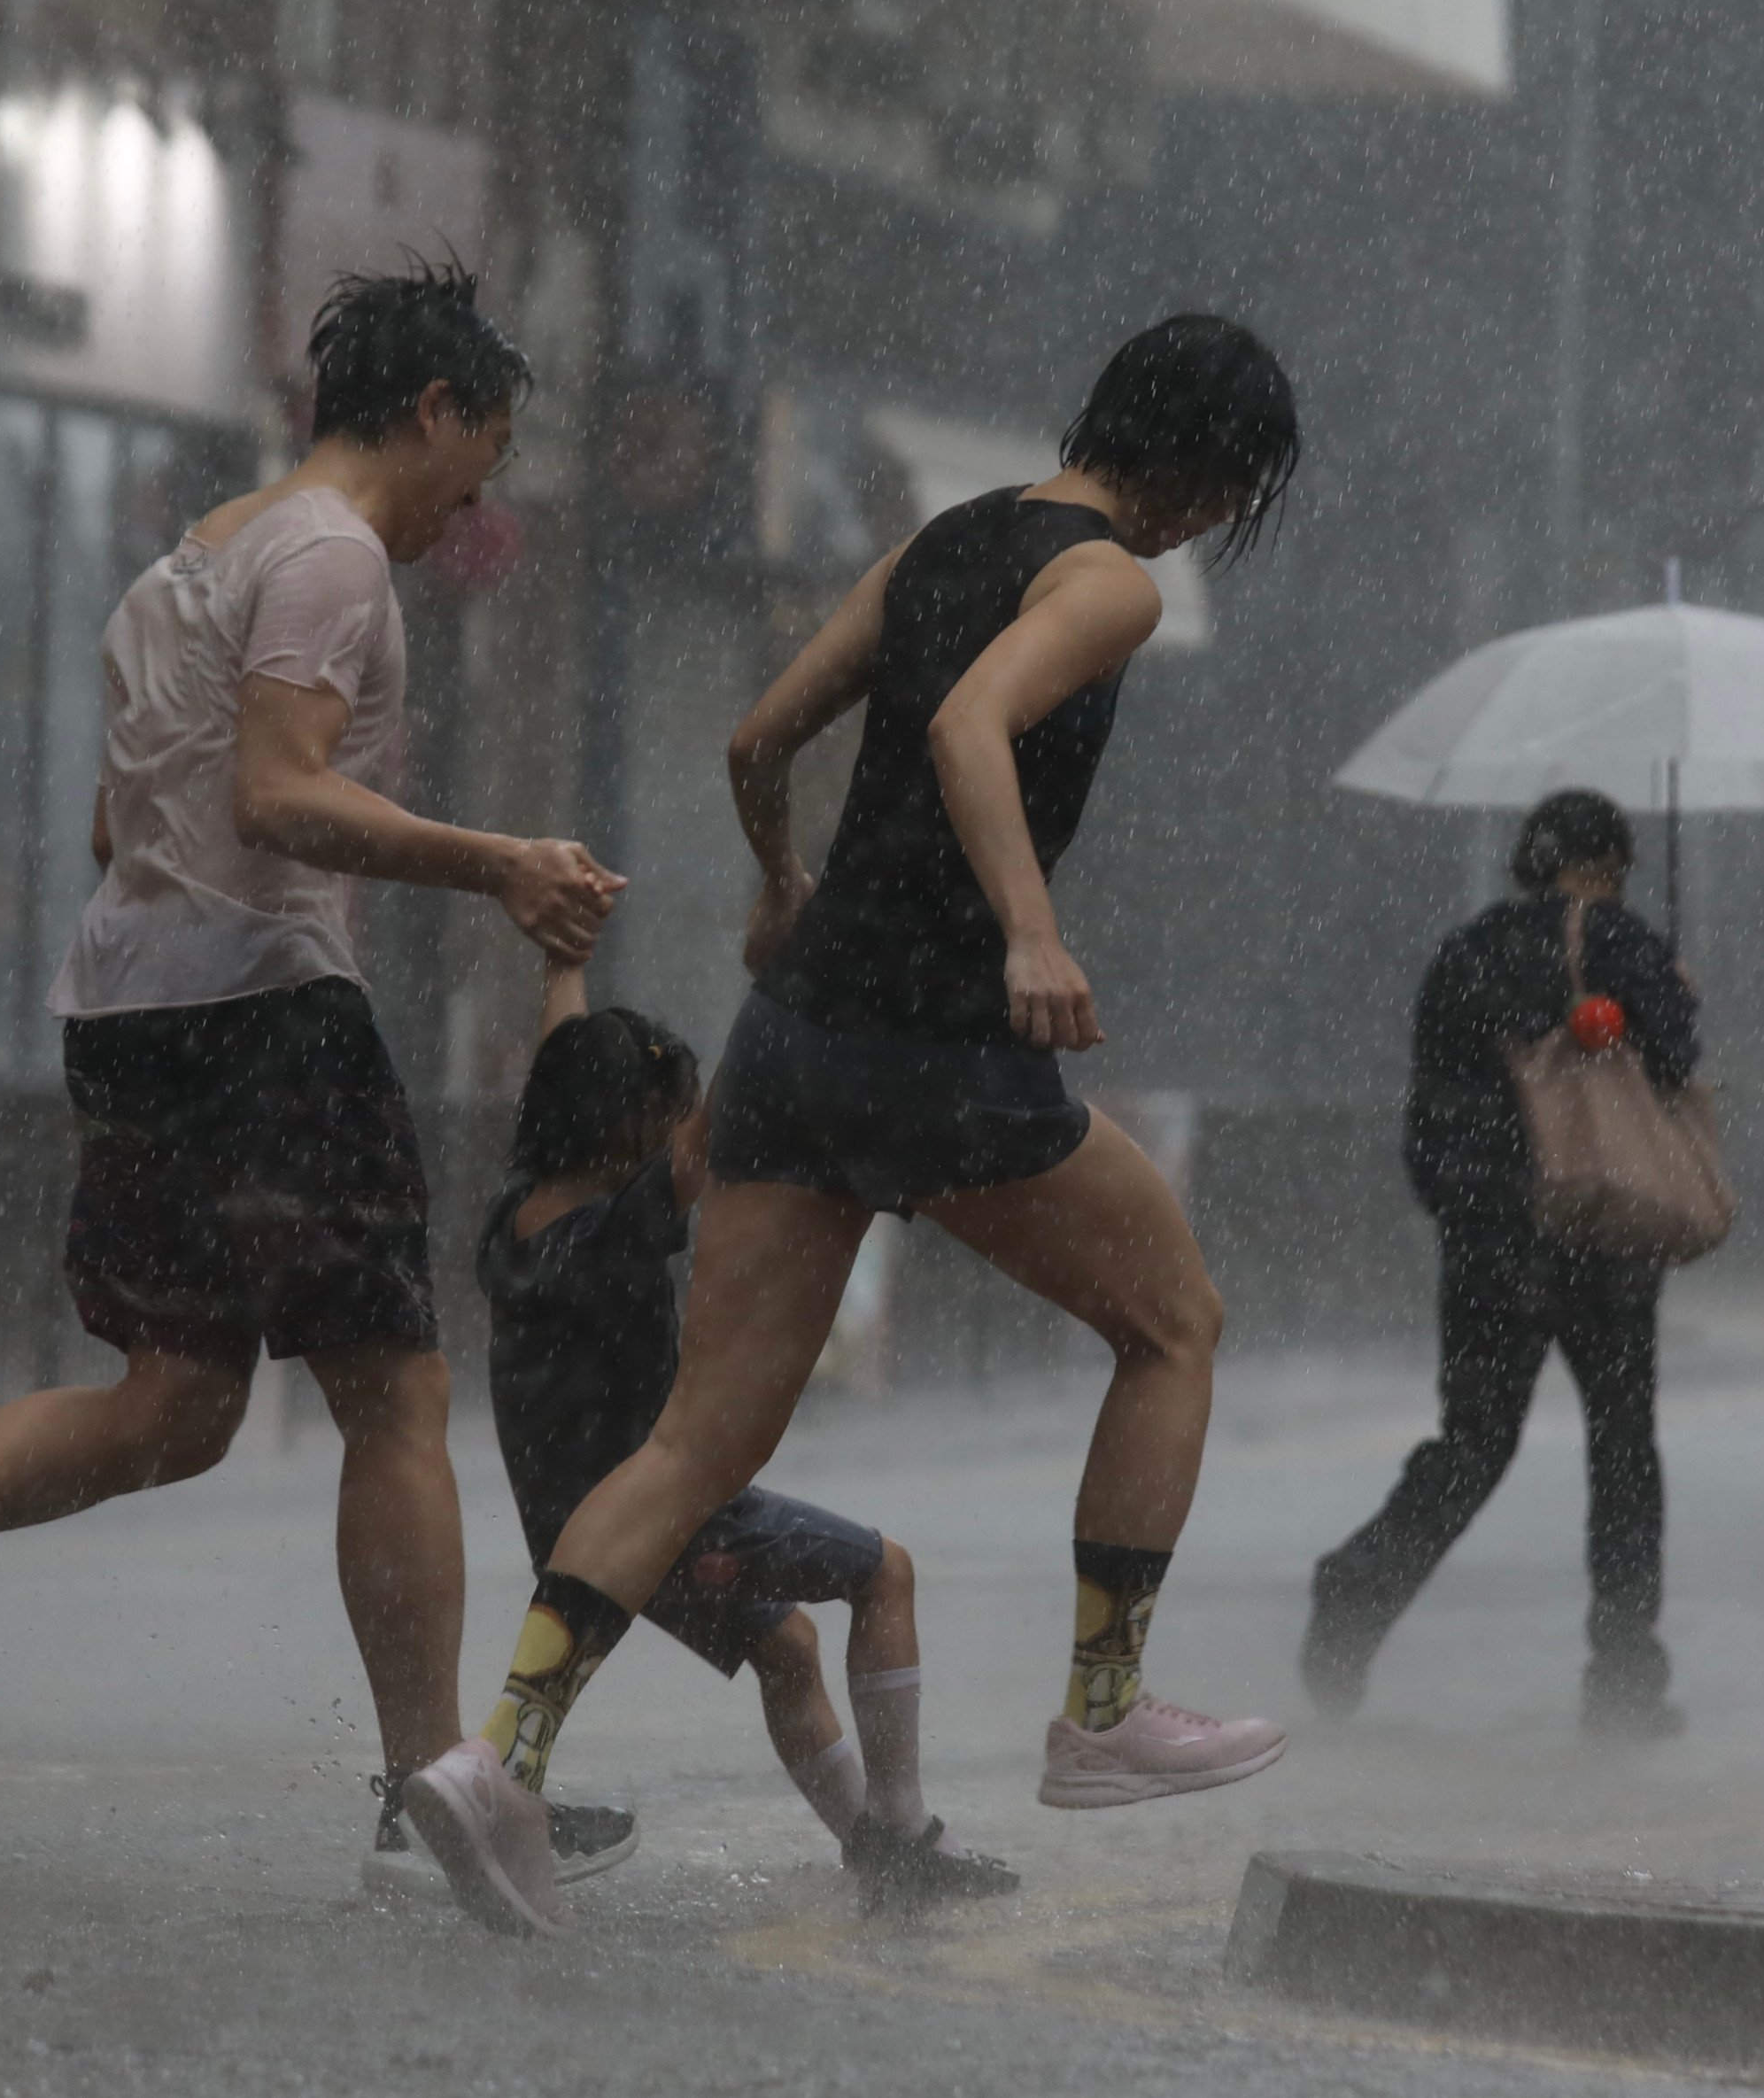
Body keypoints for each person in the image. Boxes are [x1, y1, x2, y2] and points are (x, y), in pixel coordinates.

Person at [396, 314, 1304, 1936]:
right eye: (1232, 495)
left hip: (796, 1038)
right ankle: (1103, 1709)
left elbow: (759, 738)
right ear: (1205, 472)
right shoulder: (1108, 582)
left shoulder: (940, 541)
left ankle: (500, 1755)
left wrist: (780, 879)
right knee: (1176, 1321)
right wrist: (1029, 927)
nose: (1209, 527)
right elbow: (967, 729)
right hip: (939, 1047)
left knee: (694, 1445)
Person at [0, 263, 639, 1878]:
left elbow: (118, 823)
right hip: (268, 1007)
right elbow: (284, 796)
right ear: (430, 412)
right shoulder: (329, 556)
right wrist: (500, 863)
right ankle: (432, 1793)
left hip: (132, 1008)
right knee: (399, 1391)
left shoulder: (186, 565)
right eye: (477, 463)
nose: (468, 511)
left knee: (179, 1405)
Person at [396, 949, 1019, 1914]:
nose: (675, 1131)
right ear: (629, 1126)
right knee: (885, 1570)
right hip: (667, 1515)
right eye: (662, 1111)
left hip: (569, 1531)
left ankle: (872, 1850)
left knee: (788, 1647)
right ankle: (904, 1834)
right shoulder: (618, 1225)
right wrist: (783, 987)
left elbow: (571, 1053)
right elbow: (705, 1140)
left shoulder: (515, 1210)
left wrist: (564, 962)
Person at [1298, 786, 1700, 1737]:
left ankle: (1357, 1588)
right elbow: (1676, 1073)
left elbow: (1428, 1115)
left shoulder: (1466, 951)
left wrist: (1473, 1210)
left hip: (1488, 1241)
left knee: (1474, 1443)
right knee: (1622, 1448)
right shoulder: (1629, 945)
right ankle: (1623, 1676)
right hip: (1603, 1237)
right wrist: (1671, 999)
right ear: (1606, 863)